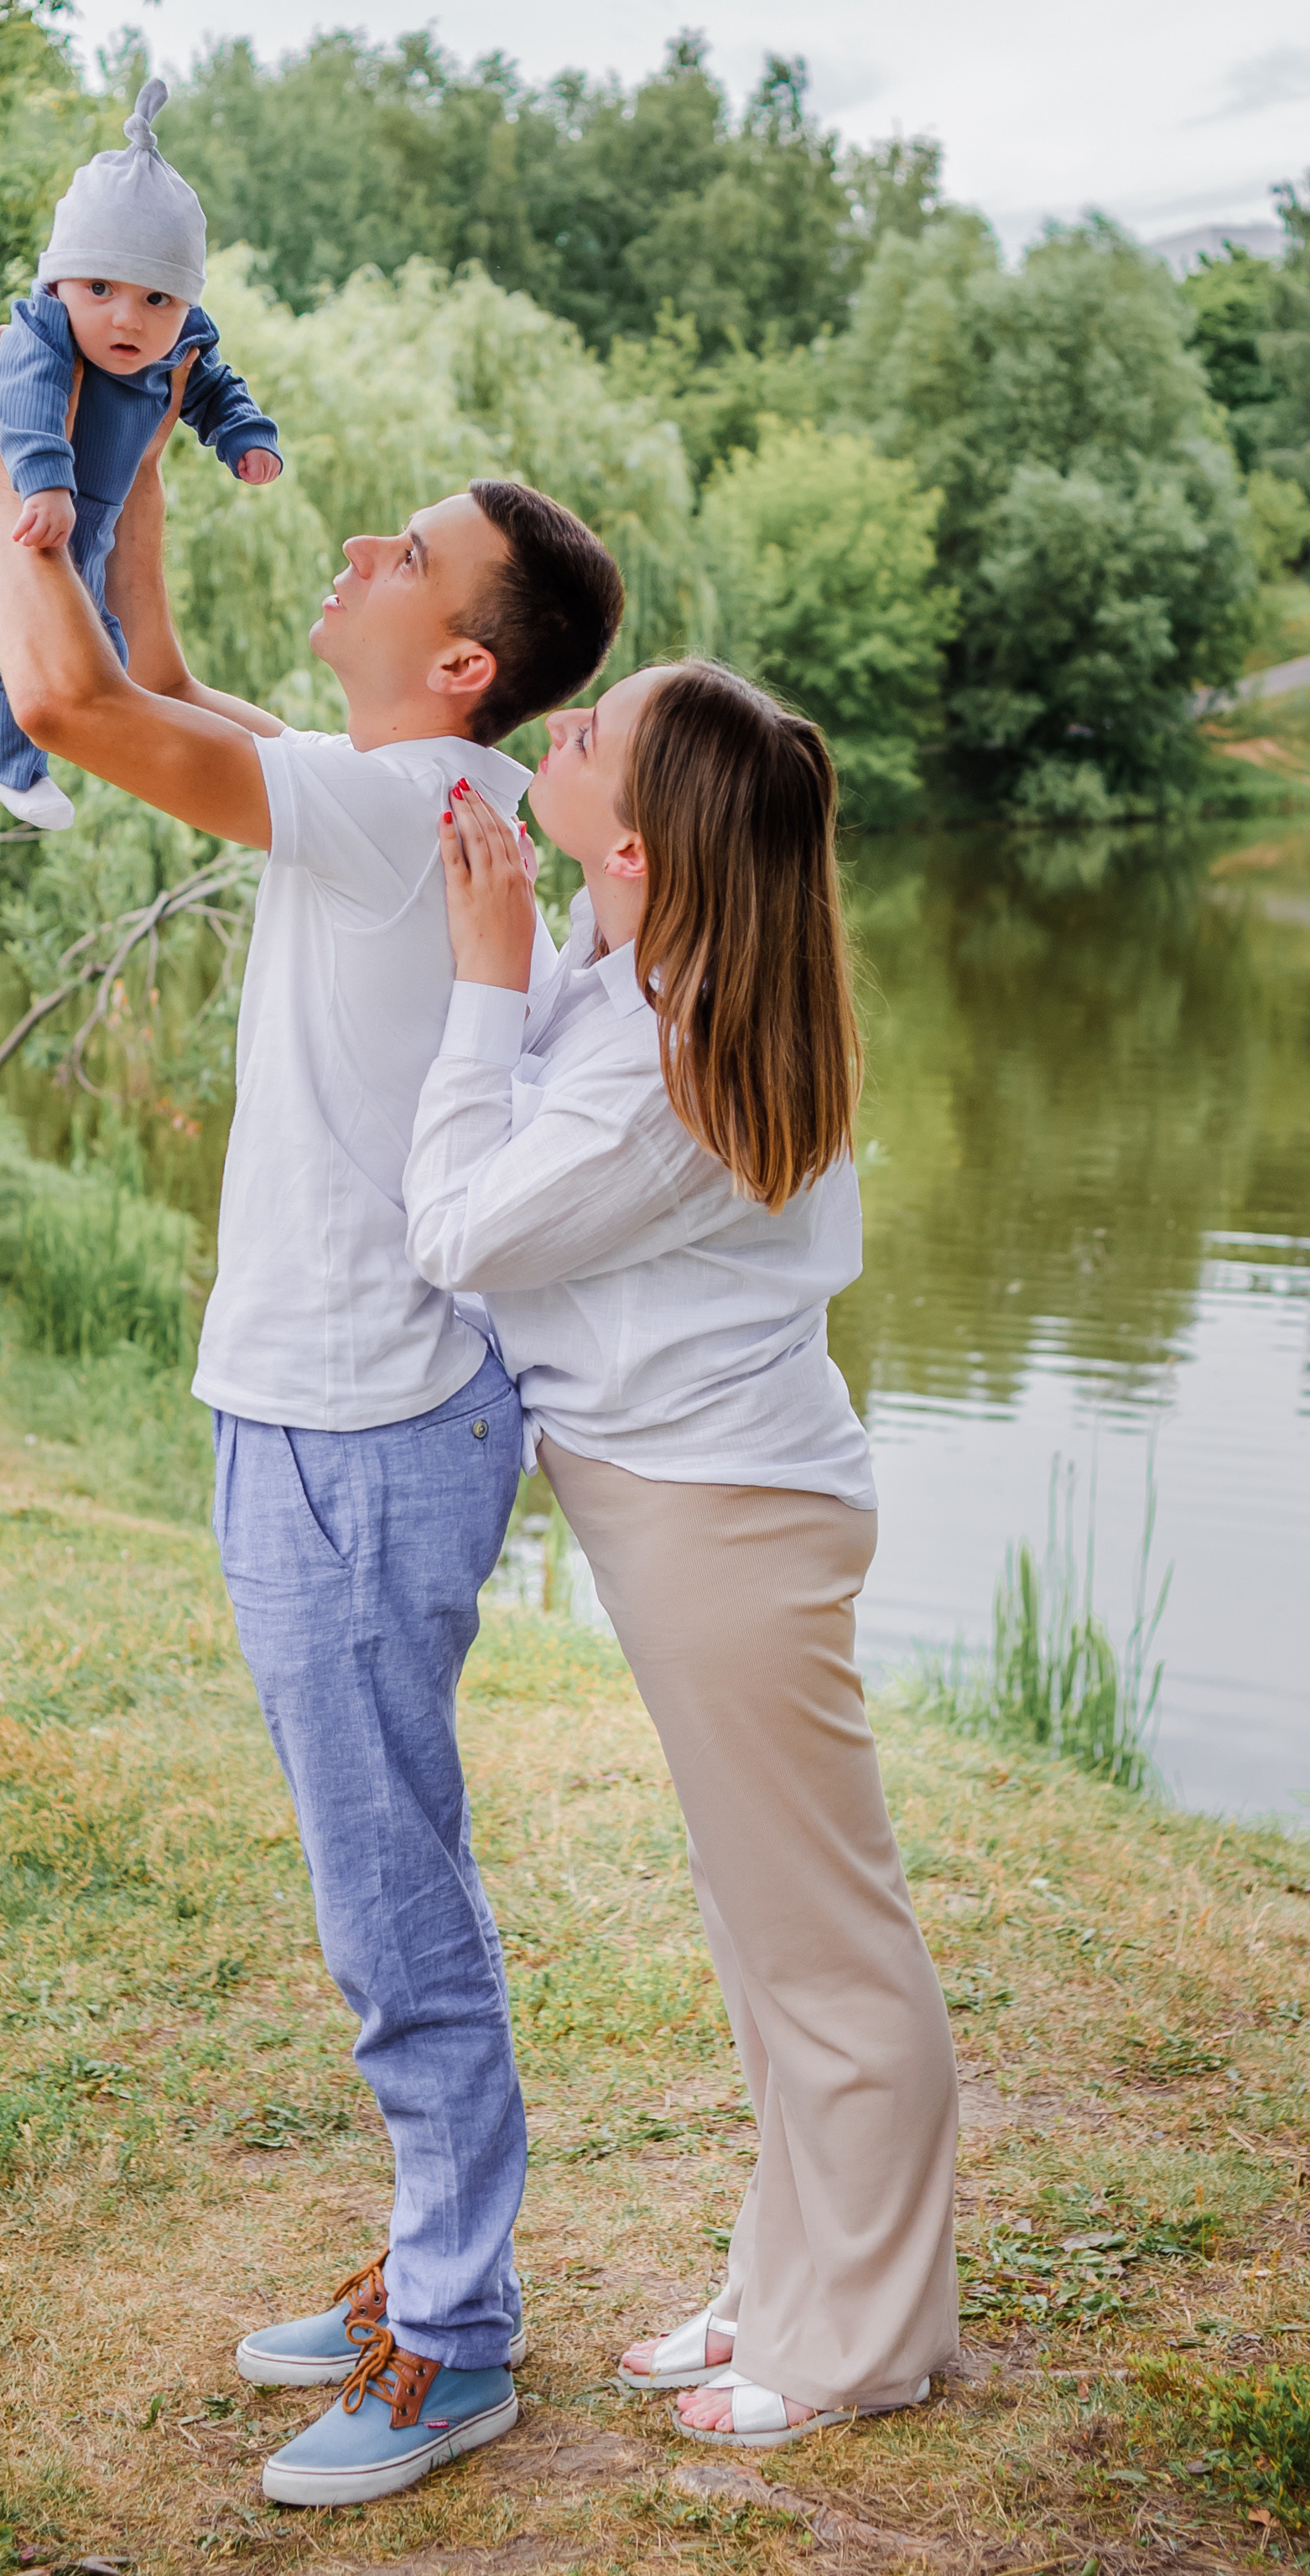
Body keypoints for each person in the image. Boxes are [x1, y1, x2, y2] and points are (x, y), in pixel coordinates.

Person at [0, 338, 623, 2509]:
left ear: (453, 658)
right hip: (324, 1410)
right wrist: (118, 440)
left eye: (400, 547)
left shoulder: (387, 804)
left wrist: (2, 458)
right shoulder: (422, 794)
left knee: (385, 1893)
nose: (350, 540)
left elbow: (63, 709)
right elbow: (142, 661)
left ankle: (459, 2340)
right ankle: (427, 2263)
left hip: (362, 1425)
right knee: (376, 1877)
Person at [404, 661, 960, 2448]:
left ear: (635, 845)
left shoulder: (663, 1059)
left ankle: (862, 2339)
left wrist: (485, 986)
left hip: (725, 1522)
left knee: (822, 1945)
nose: (546, 735)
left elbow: (455, 1233)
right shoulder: (644, 967)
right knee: (759, 1933)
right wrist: (533, 949)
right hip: (701, 1507)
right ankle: (785, 2290)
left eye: (577, 740)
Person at [0, 80, 281, 831]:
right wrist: (42, 484)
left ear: (186, 305)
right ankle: (11, 763)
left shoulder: (181, 346)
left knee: (102, 660)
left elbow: (214, 390)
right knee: (75, 660)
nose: (128, 318)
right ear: (59, 281)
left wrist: (245, 437)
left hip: (77, 553)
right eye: (100, 288)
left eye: (158, 300)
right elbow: (20, 405)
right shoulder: (44, 332)